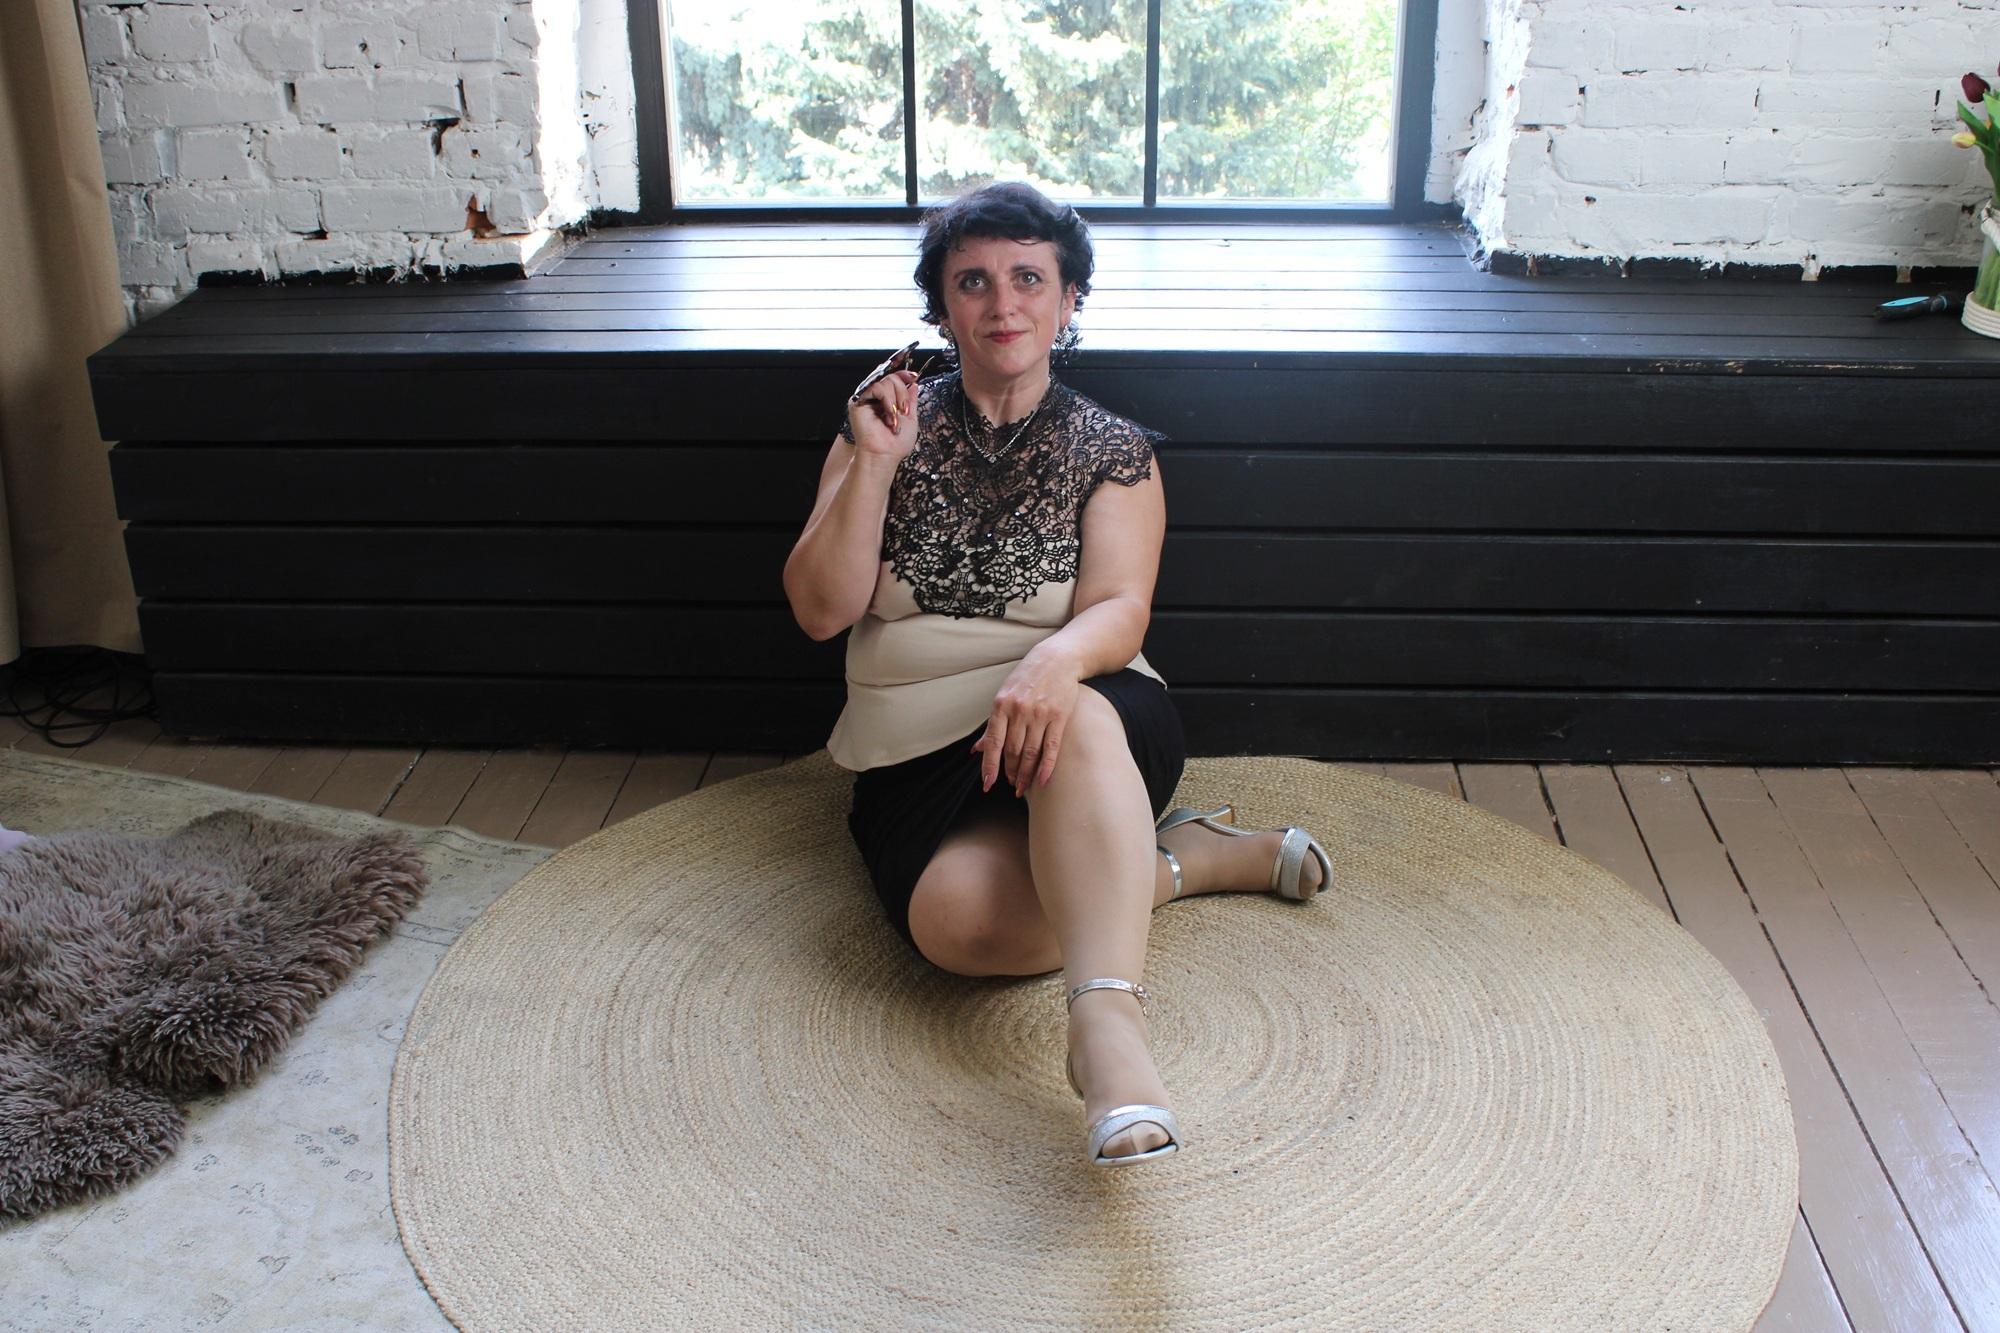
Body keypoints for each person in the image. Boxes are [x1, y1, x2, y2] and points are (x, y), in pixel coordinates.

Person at [783, 182, 1332, 1168]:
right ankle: (1186, 862)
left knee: (1071, 713)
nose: (1003, 303)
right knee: (958, 927)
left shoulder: (1112, 450)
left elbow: (1120, 606)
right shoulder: (877, 433)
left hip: (1086, 713)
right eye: (973, 281)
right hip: (920, 753)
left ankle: (1106, 1033)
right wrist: (872, 463)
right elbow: (822, 610)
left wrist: (1052, 659)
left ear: (1068, 297)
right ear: (941, 306)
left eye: (1029, 278)